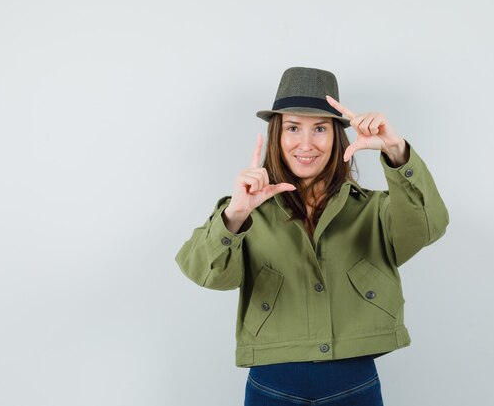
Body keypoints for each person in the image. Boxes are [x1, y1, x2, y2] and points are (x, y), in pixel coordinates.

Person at [175, 67, 449, 405]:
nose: (306, 144)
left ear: (337, 136)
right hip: (271, 385)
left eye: (319, 128)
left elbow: (429, 225)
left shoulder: (374, 210)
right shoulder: (245, 212)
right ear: (277, 135)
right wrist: (234, 215)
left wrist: (396, 151)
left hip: (354, 383)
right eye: (293, 128)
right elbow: (205, 273)